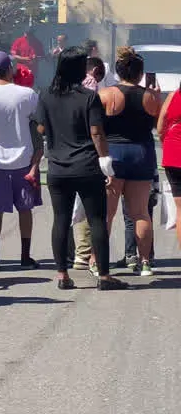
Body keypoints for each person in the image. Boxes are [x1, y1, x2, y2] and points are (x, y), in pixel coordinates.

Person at [37, 46, 126, 291]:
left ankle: (62, 275)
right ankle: (105, 276)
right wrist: (105, 162)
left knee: (61, 220)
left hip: (57, 167)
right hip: (87, 165)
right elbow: (97, 132)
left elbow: (41, 129)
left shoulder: (45, 95)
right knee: (97, 219)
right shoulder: (88, 97)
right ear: (79, 68)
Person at [0, 51, 42, 269]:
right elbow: (35, 121)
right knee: (25, 209)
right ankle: (25, 256)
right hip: (24, 160)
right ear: (10, 68)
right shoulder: (27, 94)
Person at [100, 47, 162, 276]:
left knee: (106, 213)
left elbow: (96, 128)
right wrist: (155, 95)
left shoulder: (106, 95)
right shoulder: (151, 97)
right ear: (140, 73)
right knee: (141, 213)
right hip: (141, 154)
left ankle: (97, 261)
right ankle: (145, 262)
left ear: (118, 71)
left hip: (113, 154)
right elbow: (157, 126)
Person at [159, 85, 181, 253]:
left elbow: (161, 125)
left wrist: (165, 142)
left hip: (173, 154)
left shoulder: (173, 95)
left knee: (180, 210)